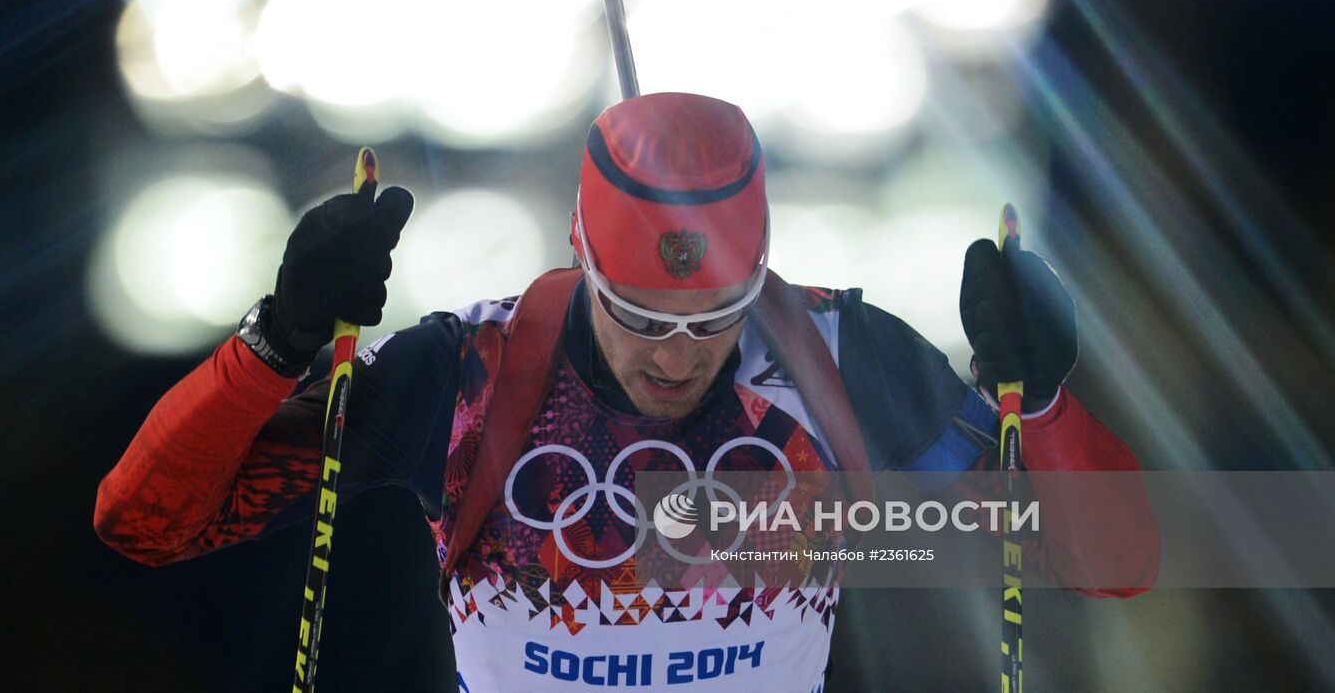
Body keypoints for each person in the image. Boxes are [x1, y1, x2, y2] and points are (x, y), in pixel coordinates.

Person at [95, 92, 1158, 692]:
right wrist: (275, 342)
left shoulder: (840, 354)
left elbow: (1111, 568)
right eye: (640, 317)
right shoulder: (465, 377)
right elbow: (145, 525)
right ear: (578, 263)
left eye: (714, 320)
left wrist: (1046, 403)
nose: (677, 358)